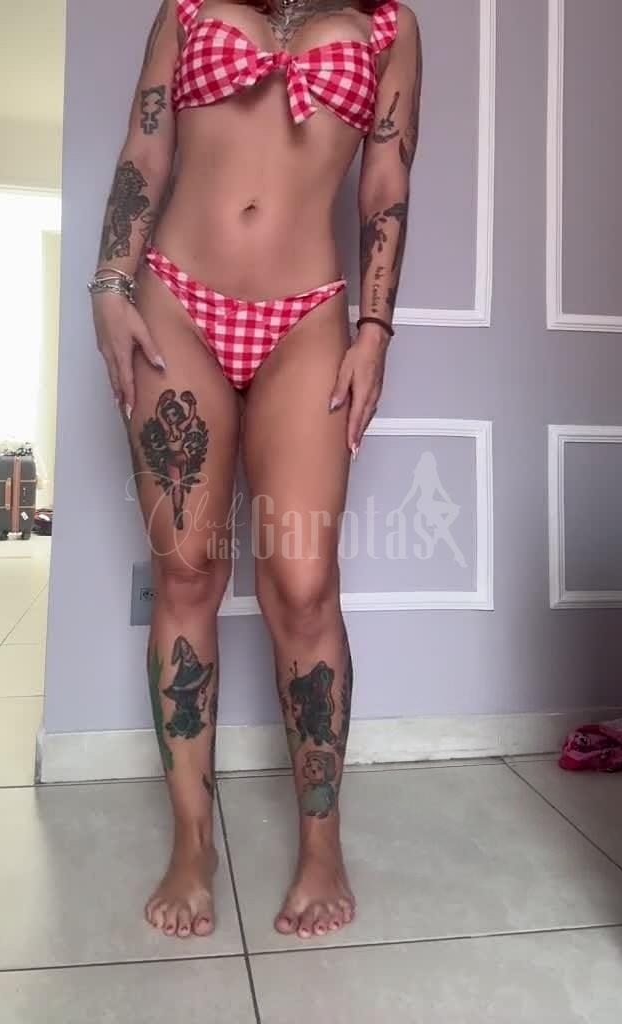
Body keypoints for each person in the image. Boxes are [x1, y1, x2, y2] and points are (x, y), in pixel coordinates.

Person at [89, 0, 422, 942]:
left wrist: (375, 329)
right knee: (188, 572)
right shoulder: (189, 6)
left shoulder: (390, 25)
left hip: (308, 317)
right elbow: (146, 145)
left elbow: (386, 178)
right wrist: (110, 284)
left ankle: (321, 846)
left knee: (305, 586)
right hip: (175, 300)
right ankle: (193, 841)